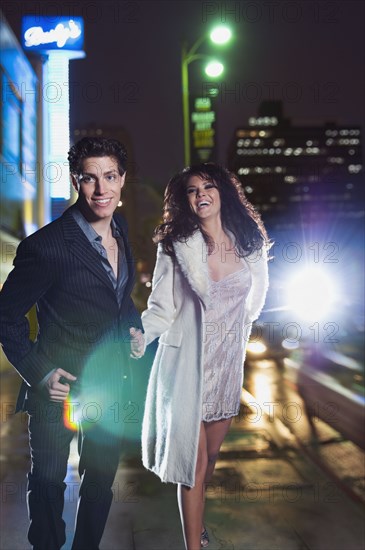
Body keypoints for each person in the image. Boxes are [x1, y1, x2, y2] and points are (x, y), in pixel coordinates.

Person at [0, 137, 144, 550]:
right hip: (55, 388)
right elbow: (5, 316)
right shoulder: (46, 247)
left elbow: (120, 300)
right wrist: (39, 373)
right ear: (76, 182)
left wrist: (133, 329)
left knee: (99, 483)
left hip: (109, 385)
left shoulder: (120, 229)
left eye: (110, 177)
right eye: (90, 179)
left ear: (122, 179)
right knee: (47, 486)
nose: (102, 190)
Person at [140, 163, 270, 550]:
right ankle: (193, 545)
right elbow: (161, 306)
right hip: (186, 368)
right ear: (185, 199)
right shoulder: (176, 244)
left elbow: (253, 302)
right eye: (192, 190)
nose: (200, 195)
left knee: (209, 459)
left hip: (227, 366)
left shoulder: (249, 242)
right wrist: (136, 337)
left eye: (207, 187)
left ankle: (197, 526)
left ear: (222, 192)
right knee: (193, 465)